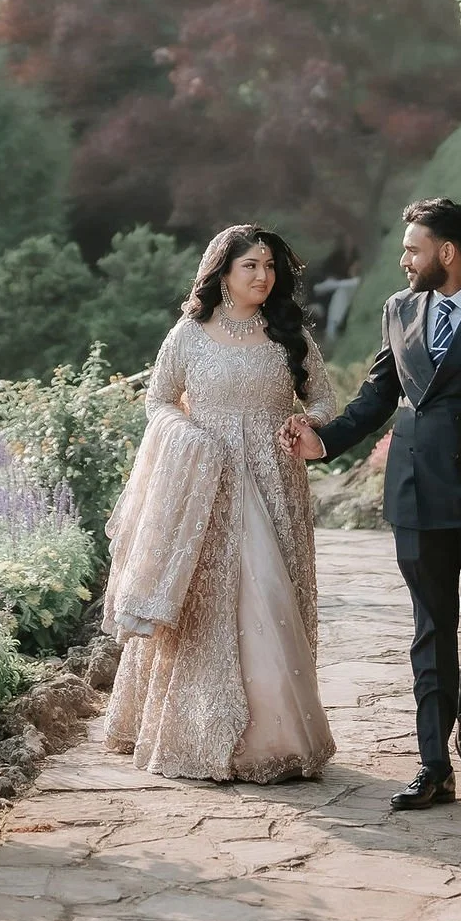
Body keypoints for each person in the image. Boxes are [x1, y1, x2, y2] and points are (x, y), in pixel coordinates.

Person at [283, 193, 461, 811]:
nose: (404, 260)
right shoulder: (398, 310)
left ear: (447, 251)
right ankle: (433, 764)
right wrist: (323, 440)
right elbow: (377, 395)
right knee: (430, 627)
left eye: (412, 249)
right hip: (417, 489)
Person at [101, 223, 339, 784]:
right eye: (250, 266)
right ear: (223, 274)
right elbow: (158, 400)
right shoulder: (189, 333)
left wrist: (307, 420)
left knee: (269, 599)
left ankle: (274, 741)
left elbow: (325, 398)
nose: (262, 276)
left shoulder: (290, 334)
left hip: (273, 482)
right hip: (204, 486)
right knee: (206, 609)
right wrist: (189, 437)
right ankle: (196, 732)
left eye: (270, 267)